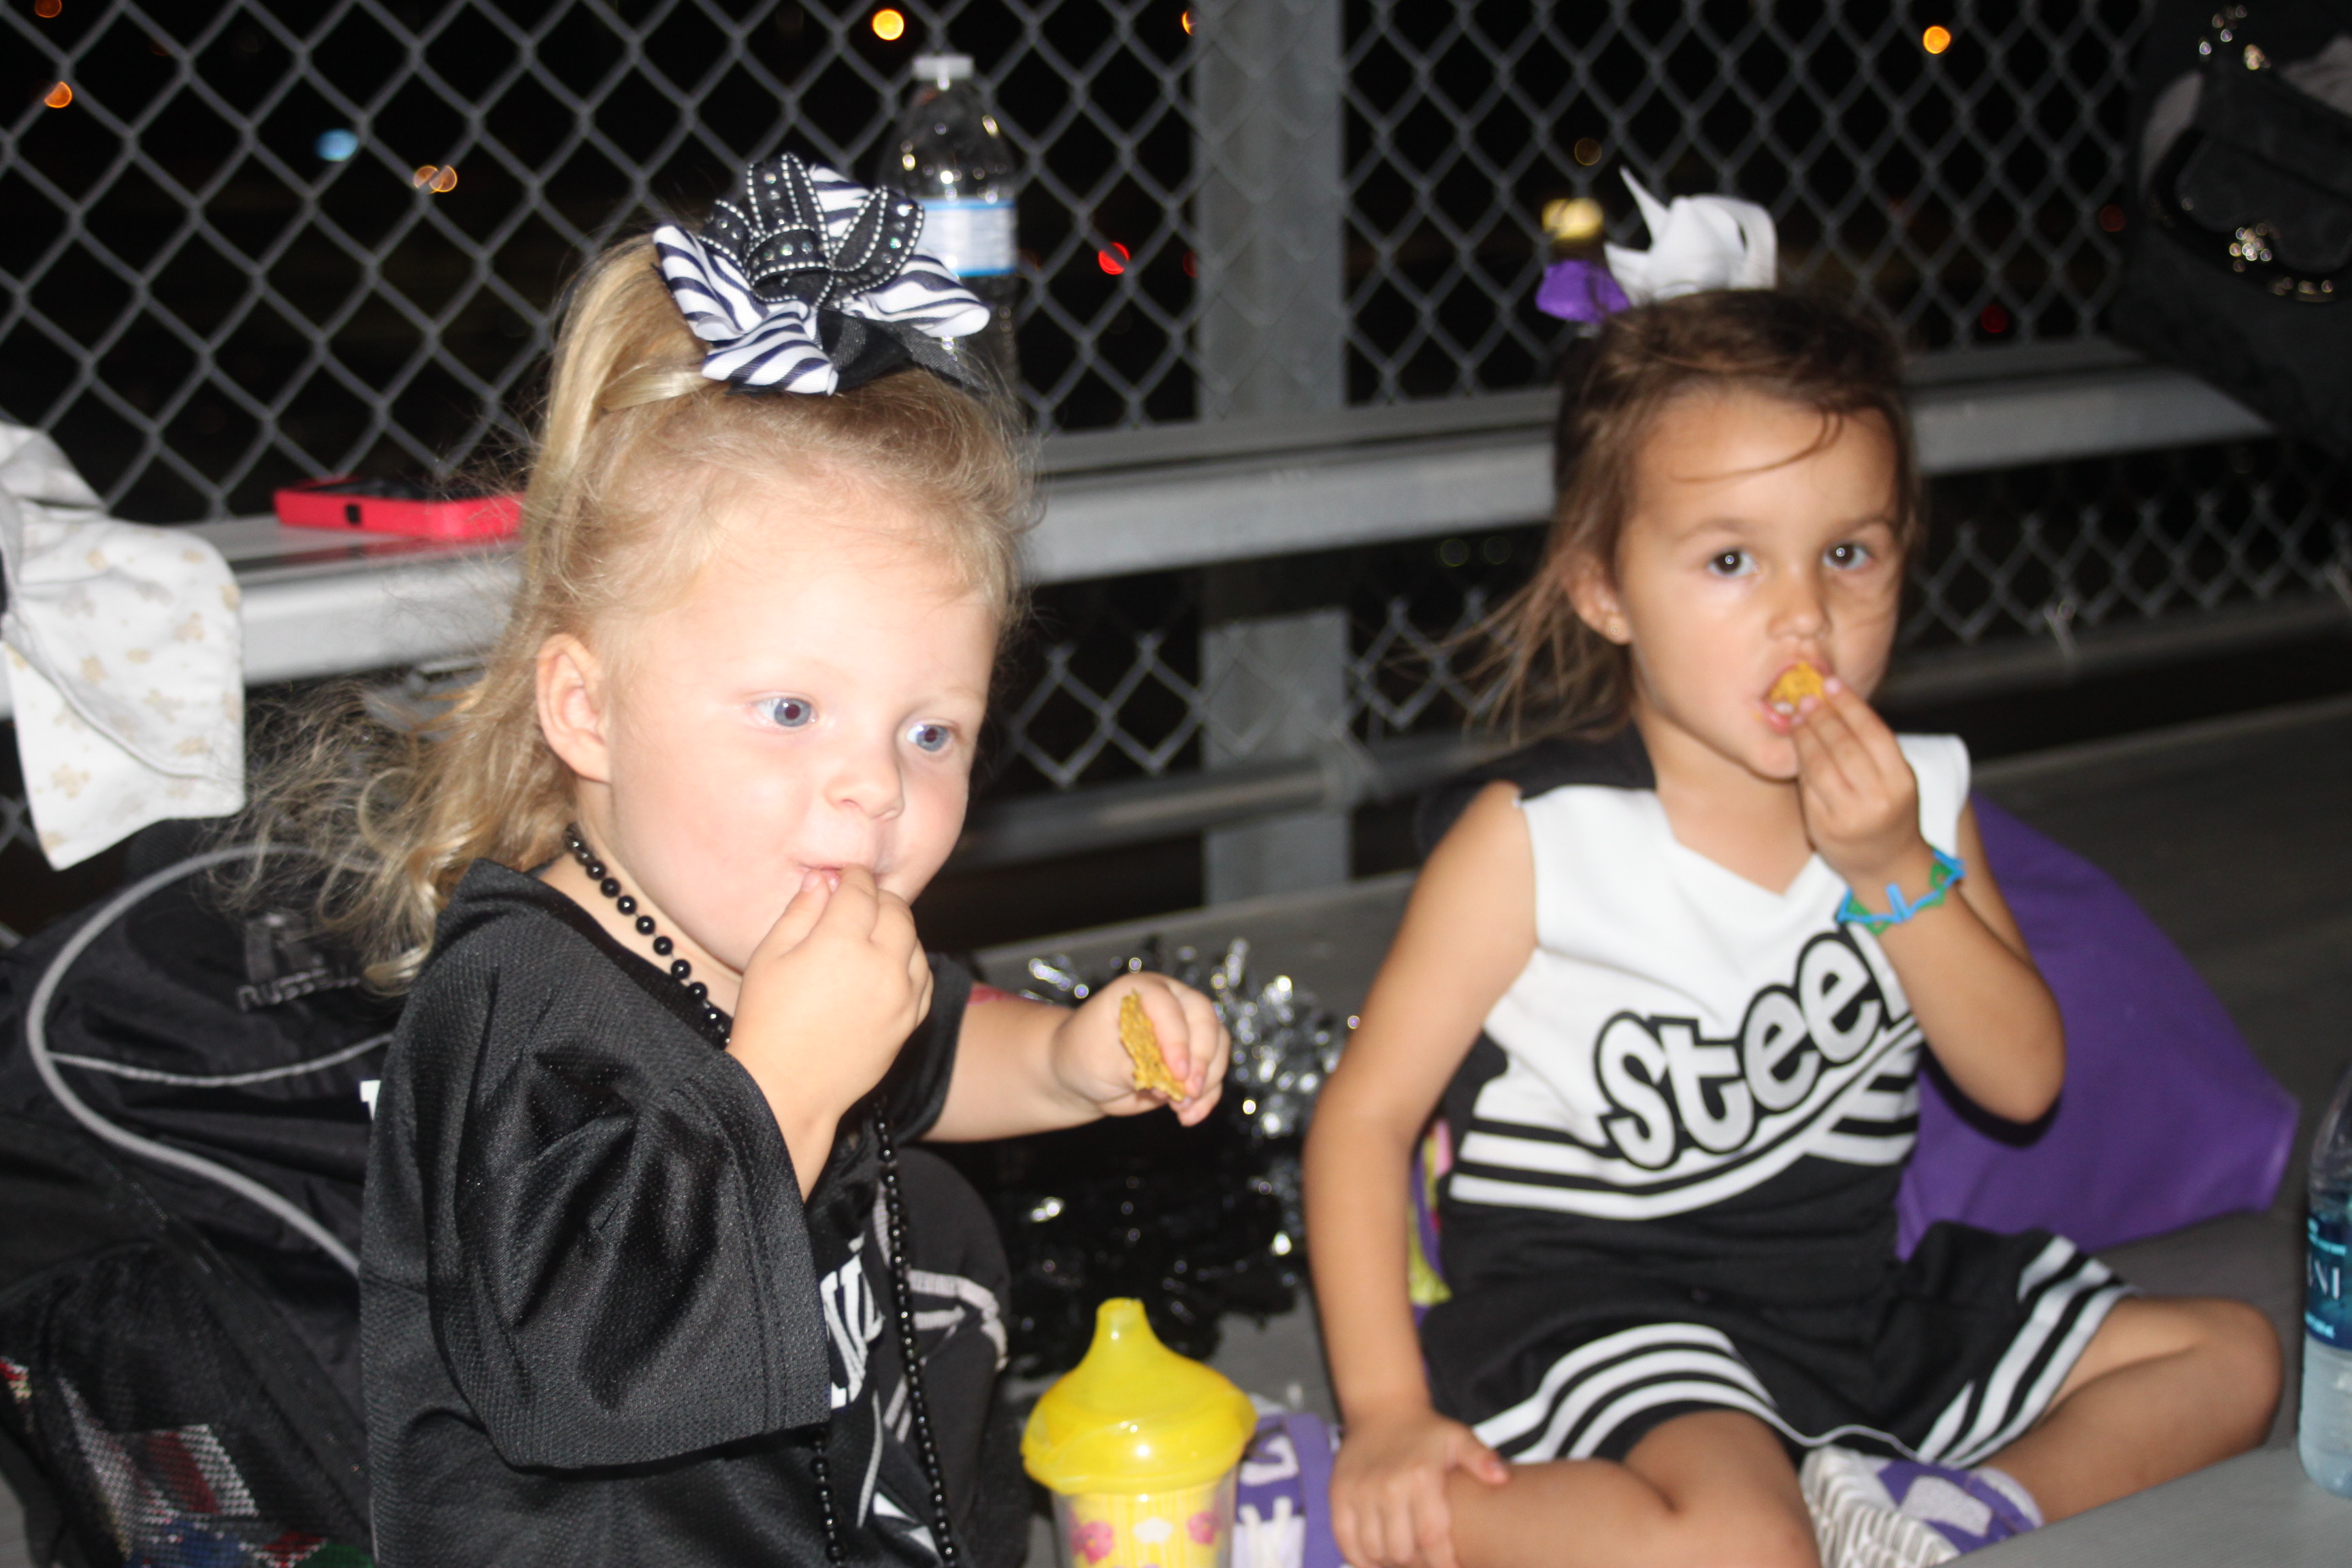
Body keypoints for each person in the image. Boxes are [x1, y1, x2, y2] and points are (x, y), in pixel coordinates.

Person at [263, 154, 1232, 1567]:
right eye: (790, 711)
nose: (874, 785)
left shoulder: (762, 928)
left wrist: (1075, 1057)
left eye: (931, 731)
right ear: (587, 709)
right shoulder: (519, 1011)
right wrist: (783, 1079)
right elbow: (584, 1363)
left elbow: (933, 1052)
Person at [1302, 284, 2280, 1568]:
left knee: (2231, 1357)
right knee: (1743, 1543)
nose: (1803, 614)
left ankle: (1945, 1517)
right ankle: (1332, 1508)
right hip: (1608, 1308)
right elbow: (1365, 1119)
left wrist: (1895, 872)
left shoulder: (1921, 799)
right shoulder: (1536, 843)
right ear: (1603, 588)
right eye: (1731, 561)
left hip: (1845, 1299)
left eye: (1849, 554)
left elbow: (2023, 1078)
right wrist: (1384, 1413)